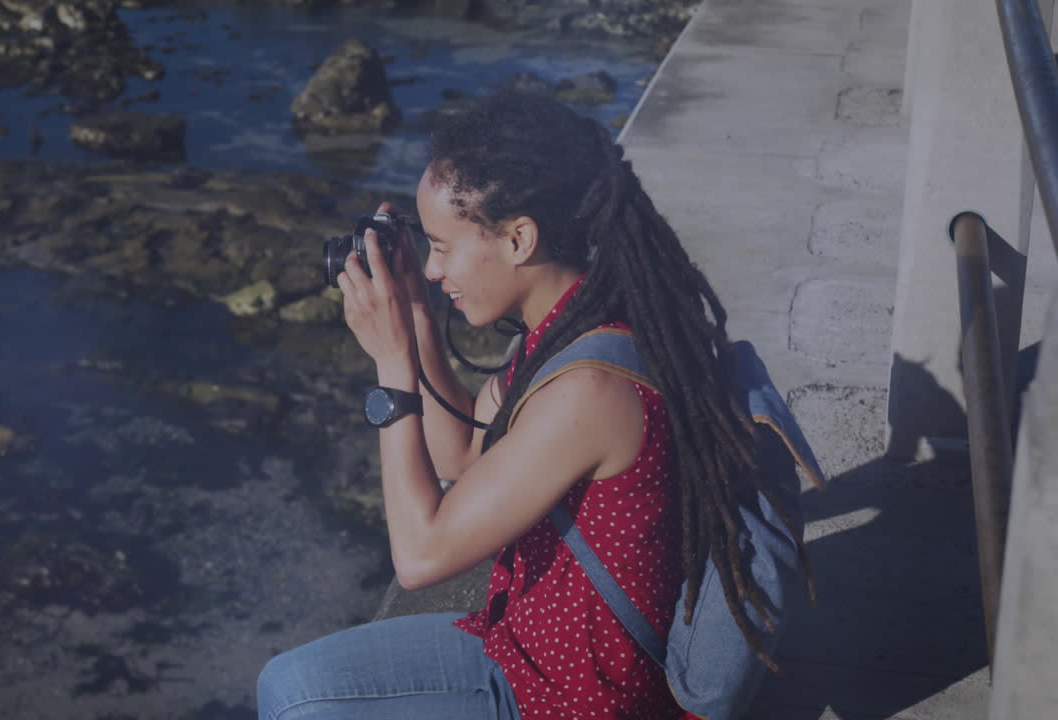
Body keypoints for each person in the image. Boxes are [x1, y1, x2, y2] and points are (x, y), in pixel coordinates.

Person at [257, 90, 798, 719]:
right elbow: (462, 452)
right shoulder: (581, 326)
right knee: (284, 683)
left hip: (566, 698)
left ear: (519, 239)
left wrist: (393, 364)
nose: (434, 270)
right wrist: (417, 319)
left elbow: (421, 556)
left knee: (297, 700)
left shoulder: (588, 393)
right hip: (524, 645)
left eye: (443, 246)